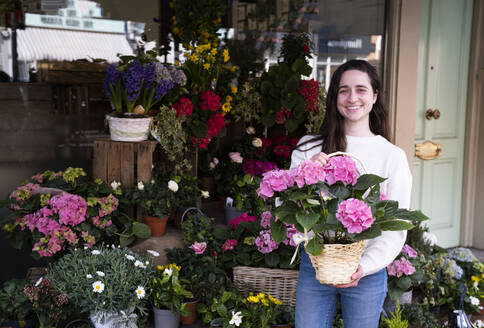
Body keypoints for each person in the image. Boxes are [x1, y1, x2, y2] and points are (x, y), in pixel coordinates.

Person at [291, 59, 412, 328]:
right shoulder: (308, 148)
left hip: (366, 273)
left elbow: (396, 229)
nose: (352, 98)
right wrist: (308, 179)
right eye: (343, 90)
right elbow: (286, 209)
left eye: (361, 89)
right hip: (316, 267)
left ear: (375, 96)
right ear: (334, 97)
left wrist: (364, 266)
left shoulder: (392, 157)